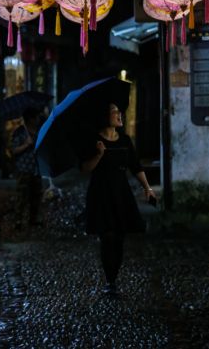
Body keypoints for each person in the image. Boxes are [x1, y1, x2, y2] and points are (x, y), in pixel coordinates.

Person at [80, 102, 156, 296]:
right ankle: (109, 281)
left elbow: (135, 166)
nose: (119, 115)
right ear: (105, 116)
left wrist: (147, 188)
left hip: (121, 192)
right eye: (114, 112)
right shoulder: (94, 140)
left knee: (119, 237)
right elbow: (85, 169)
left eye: (119, 111)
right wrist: (99, 154)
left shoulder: (125, 140)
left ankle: (114, 276)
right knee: (107, 236)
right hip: (100, 193)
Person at [11, 107, 45, 230]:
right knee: (21, 196)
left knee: (36, 195)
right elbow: (14, 151)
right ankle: (18, 221)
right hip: (24, 169)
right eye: (35, 117)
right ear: (29, 119)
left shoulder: (39, 131)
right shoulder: (20, 132)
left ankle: (34, 219)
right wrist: (26, 144)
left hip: (36, 168)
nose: (37, 120)